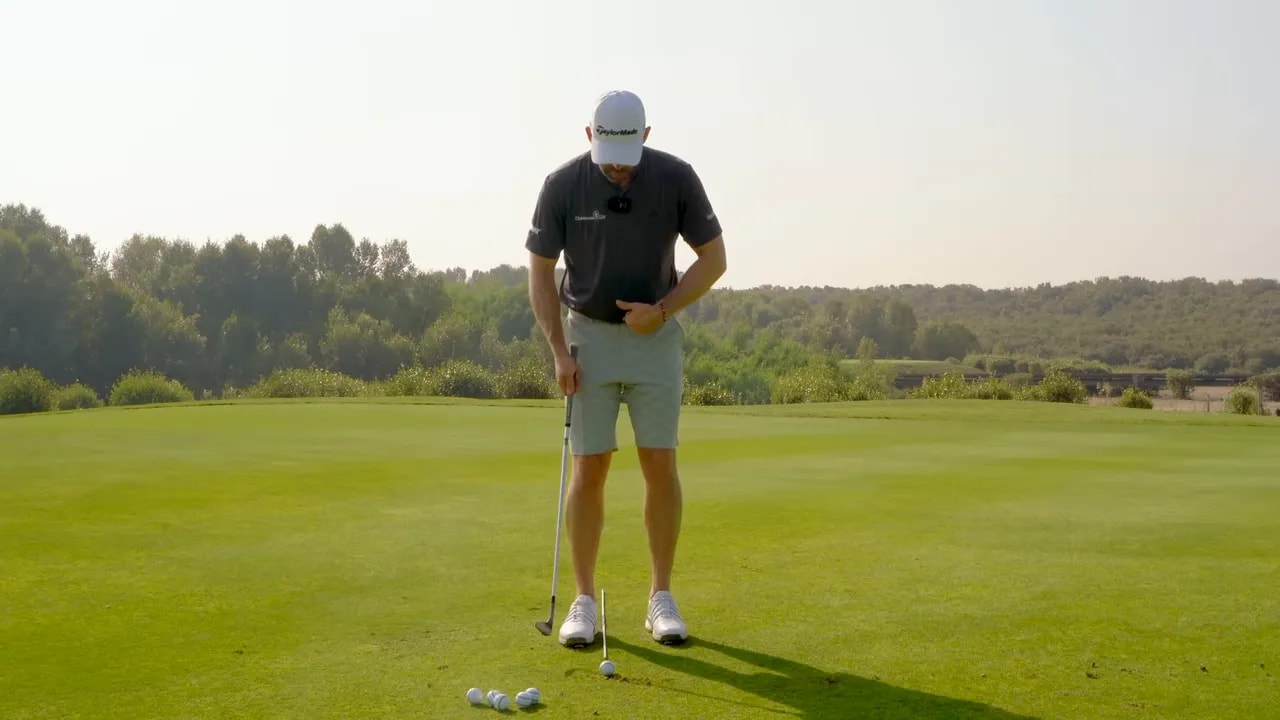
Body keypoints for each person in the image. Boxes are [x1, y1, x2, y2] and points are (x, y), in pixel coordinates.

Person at [525, 90, 727, 648]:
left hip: (655, 339)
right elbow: (540, 273)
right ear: (590, 137)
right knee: (589, 470)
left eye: (628, 155)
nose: (618, 168)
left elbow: (715, 258)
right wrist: (559, 351)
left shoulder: (677, 178)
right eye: (609, 154)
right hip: (587, 337)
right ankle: (584, 601)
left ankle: (661, 597)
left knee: (660, 464)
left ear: (646, 137)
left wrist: (662, 310)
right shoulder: (562, 185)